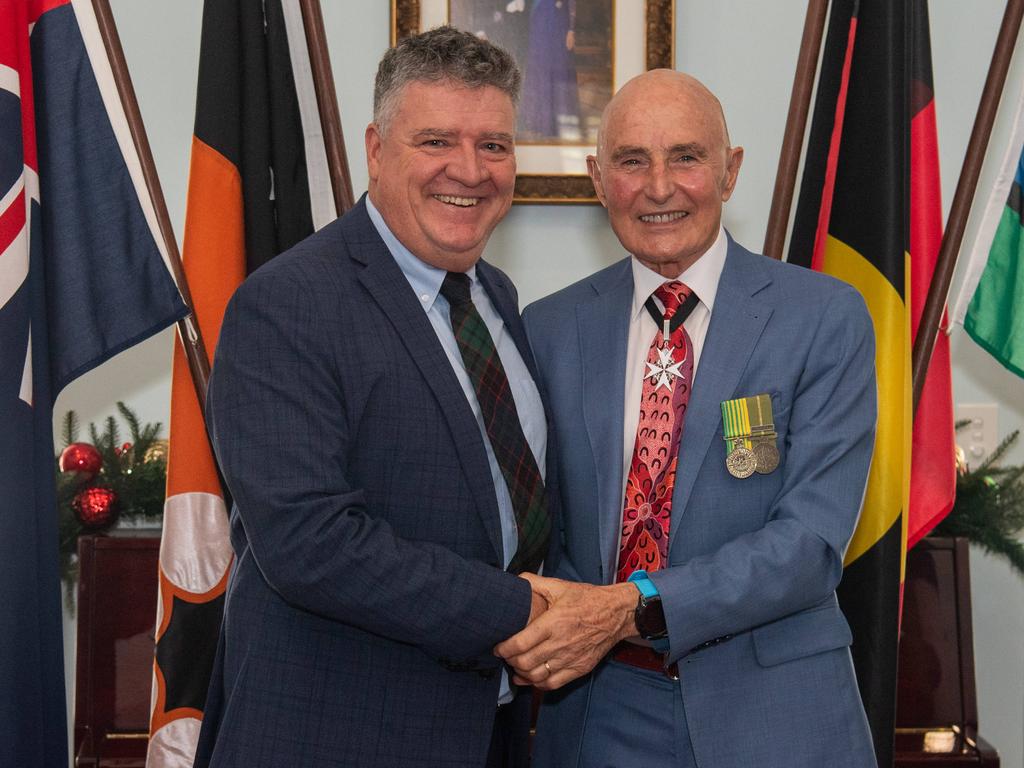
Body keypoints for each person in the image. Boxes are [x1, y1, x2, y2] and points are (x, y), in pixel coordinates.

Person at [496, 69, 879, 768]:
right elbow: (529, 524)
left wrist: (633, 605)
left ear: (729, 171)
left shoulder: (823, 318)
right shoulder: (548, 328)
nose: (660, 186)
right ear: (597, 177)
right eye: (632, 160)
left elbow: (811, 544)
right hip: (597, 711)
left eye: (687, 157)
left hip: (774, 707)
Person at [194, 27, 552, 768]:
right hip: (335, 734)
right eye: (436, 142)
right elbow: (309, 543)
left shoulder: (496, 297)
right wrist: (526, 610)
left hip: (489, 731)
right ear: (377, 149)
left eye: (494, 145)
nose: (470, 169)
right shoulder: (287, 303)